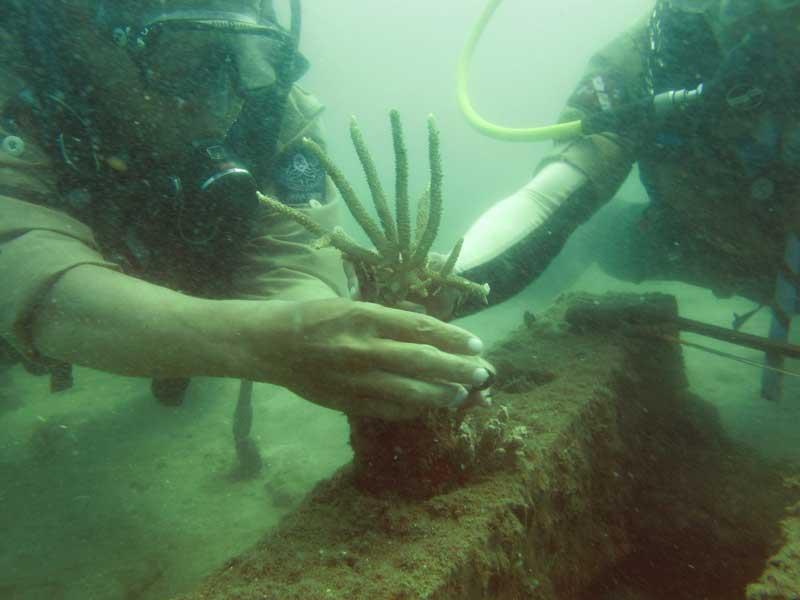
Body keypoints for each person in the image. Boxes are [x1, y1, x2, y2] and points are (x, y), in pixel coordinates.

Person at [0, 0, 492, 420]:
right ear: (81, 30)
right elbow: (20, 263)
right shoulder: (17, 88)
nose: (225, 102)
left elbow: (294, 259)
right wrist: (253, 341)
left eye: (250, 55)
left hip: (189, 292)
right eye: (185, 58)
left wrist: (333, 329)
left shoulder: (270, 105)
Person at [453, 0, 800, 398]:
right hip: (706, 247)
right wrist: (434, 290)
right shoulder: (651, 52)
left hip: (740, 253)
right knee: (602, 238)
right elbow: (552, 196)